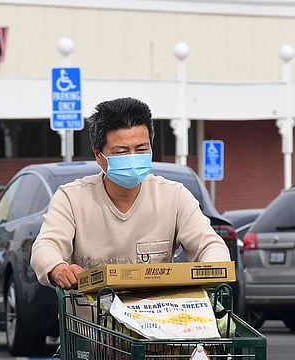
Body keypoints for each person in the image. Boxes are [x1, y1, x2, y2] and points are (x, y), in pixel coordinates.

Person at [30, 97, 230, 290]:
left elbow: (208, 244)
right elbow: (46, 245)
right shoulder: (71, 199)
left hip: (155, 319)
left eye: (141, 148)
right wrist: (58, 267)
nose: (133, 158)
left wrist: (213, 269)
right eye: (121, 151)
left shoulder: (174, 197)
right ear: (98, 156)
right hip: (91, 320)